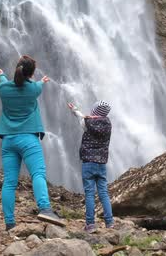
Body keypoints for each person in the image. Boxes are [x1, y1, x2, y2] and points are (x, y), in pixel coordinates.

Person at [0, 55, 65, 230]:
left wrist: (2, 75)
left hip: (8, 140)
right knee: (38, 174)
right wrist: (43, 81)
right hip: (28, 139)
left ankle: (10, 223)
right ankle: (45, 209)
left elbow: (5, 82)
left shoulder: (2, 89)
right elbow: (37, 85)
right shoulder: (34, 89)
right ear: (31, 74)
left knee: (9, 181)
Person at [67, 100, 114, 233]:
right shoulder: (108, 124)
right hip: (101, 164)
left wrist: (74, 109)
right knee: (104, 193)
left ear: (94, 111)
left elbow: (81, 118)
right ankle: (110, 222)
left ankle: (90, 224)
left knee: (89, 193)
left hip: (88, 163)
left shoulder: (87, 123)